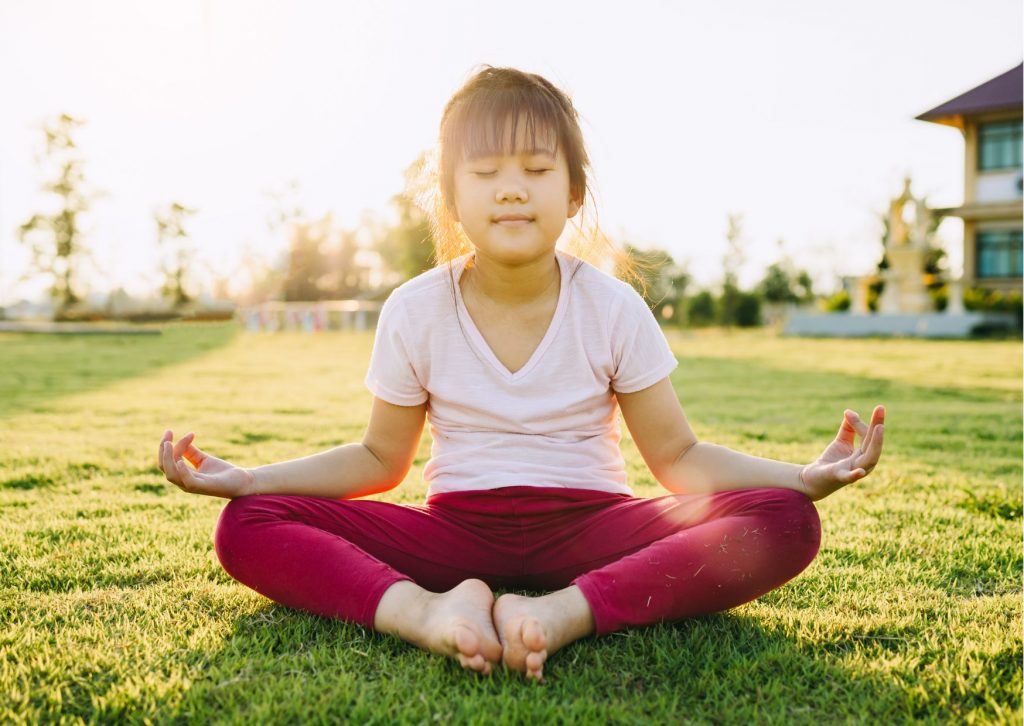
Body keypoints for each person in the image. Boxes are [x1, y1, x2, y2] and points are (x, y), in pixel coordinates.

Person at [157, 66, 885, 682]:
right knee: (245, 526)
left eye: (536, 171)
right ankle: (429, 611)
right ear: (450, 197)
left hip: (595, 527)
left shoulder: (612, 306)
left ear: (572, 194)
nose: (512, 189)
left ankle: (563, 613)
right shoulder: (414, 309)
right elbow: (382, 459)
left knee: (786, 523)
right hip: (454, 536)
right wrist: (250, 480)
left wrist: (800, 478)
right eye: (486, 172)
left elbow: (678, 459)